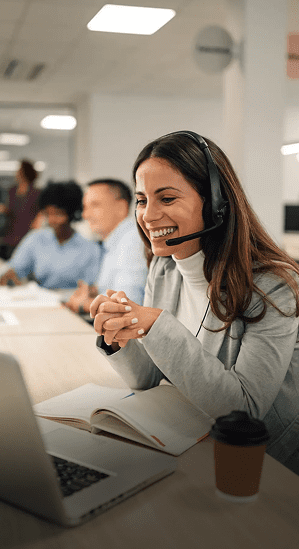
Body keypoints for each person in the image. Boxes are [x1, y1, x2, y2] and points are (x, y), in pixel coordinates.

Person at [90, 131, 299, 474]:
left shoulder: (273, 286)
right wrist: (119, 338)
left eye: (167, 199)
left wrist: (156, 325)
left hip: (262, 466)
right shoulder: (164, 267)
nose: (148, 215)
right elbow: (148, 377)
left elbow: (243, 411)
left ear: (216, 203)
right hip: (191, 440)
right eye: (142, 200)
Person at [65, 179, 147, 314]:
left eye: (95, 205)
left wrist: (83, 304)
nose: (86, 215)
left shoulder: (132, 241)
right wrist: (93, 293)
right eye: (85, 207)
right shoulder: (115, 241)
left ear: (121, 208)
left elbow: (126, 306)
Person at [0, 181, 101, 289]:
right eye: (48, 214)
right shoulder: (36, 239)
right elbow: (15, 267)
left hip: (73, 303)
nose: (52, 220)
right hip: (40, 301)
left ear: (72, 213)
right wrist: (9, 274)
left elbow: (93, 287)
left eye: (58, 214)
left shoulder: (90, 248)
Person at [0, 159, 41, 260]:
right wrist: (3, 209)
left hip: (28, 232)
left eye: (19, 170)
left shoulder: (36, 192)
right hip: (12, 233)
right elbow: (11, 210)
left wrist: (37, 221)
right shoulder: (12, 190)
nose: (16, 173)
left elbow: (40, 212)